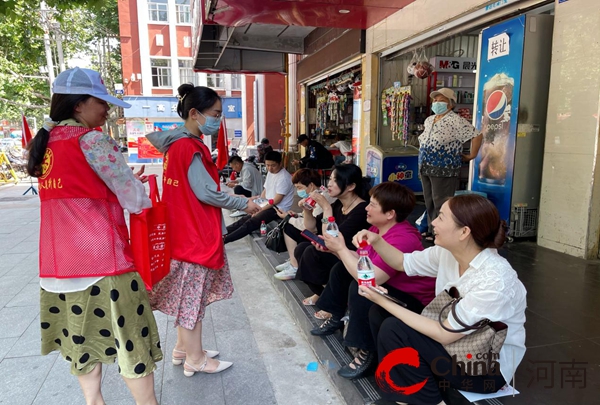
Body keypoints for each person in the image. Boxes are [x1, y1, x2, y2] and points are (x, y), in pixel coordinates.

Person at [28, 67, 163, 405]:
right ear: (78, 104)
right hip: (105, 267)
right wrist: (132, 187)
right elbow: (135, 199)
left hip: (56, 271)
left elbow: (80, 191)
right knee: (131, 344)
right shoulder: (91, 139)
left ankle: (94, 402)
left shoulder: (45, 144)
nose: (106, 109)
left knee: (81, 343)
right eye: (100, 101)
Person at [356, 194, 526, 405]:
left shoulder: (494, 280)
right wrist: (377, 241)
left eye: (441, 217)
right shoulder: (447, 253)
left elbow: (444, 334)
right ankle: (408, 386)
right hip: (454, 343)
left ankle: (428, 400)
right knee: (380, 313)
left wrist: (384, 301)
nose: (433, 222)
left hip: (482, 369)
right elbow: (402, 262)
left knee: (394, 326)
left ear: (464, 232)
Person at [146, 84, 261, 378]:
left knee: (188, 295)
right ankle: (195, 359)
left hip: (181, 230)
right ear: (195, 113)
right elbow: (207, 193)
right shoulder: (190, 146)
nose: (218, 120)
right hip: (194, 234)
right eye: (215, 114)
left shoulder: (175, 145)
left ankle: (183, 349)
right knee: (192, 299)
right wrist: (242, 203)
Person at [309, 182, 436, 380]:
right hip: (391, 287)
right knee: (343, 268)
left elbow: (371, 278)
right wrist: (335, 249)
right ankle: (336, 315)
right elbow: (362, 259)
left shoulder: (403, 238)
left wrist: (342, 249)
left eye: (373, 205)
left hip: (414, 302)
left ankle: (367, 351)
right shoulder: (377, 229)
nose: (367, 208)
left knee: (361, 289)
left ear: (390, 213)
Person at [294, 164, 370, 306]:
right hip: (332, 253)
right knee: (302, 247)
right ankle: (322, 294)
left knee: (311, 252)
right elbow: (311, 228)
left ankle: (332, 301)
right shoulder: (339, 205)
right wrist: (307, 210)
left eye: (335, 181)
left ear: (351, 186)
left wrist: (326, 207)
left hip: (349, 258)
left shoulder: (361, 210)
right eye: (329, 179)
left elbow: (330, 239)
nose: (329, 184)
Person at [419, 88, 482, 241]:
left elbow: (477, 135)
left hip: (444, 168)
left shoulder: (456, 120)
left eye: (441, 100)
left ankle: (441, 233)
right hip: (426, 166)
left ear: (451, 104)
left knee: (442, 201)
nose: (436, 102)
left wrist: (472, 155)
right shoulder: (430, 120)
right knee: (429, 200)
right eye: (435, 100)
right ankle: (431, 228)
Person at [273, 168, 336, 281]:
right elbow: (309, 217)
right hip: (319, 230)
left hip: (321, 234)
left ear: (311, 185)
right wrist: (296, 215)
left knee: (289, 227)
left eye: (300, 188)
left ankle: (295, 265)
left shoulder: (321, 197)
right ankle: (293, 261)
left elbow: (312, 226)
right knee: (290, 223)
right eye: (330, 180)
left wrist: (289, 218)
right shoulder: (315, 195)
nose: (330, 185)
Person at [224, 150, 295, 244]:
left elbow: (277, 200)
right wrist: (259, 203)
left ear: (280, 163)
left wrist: (260, 209)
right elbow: (265, 190)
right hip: (267, 204)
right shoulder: (271, 172)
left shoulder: (284, 178)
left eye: (273, 165)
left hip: (277, 209)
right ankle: (222, 233)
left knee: (251, 223)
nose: (270, 168)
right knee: (245, 218)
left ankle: (224, 240)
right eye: (267, 165)